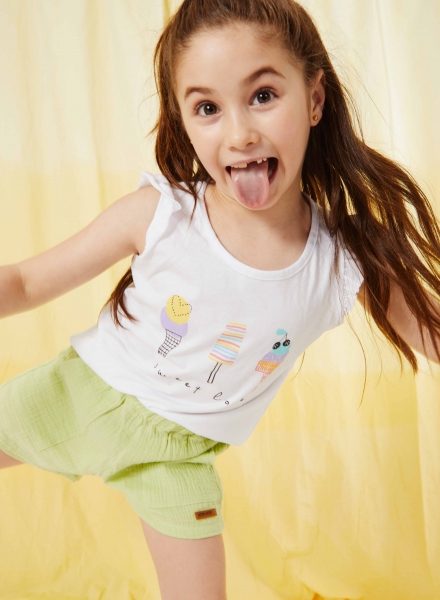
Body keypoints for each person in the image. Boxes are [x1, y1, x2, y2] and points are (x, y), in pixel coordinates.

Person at [1, 0, 439, 598]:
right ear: (183, 121)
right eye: (207, 108)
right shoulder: (161, 214)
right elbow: (25, 283)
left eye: (263, 95)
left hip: (176, 459)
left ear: (315, 98)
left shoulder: (345, 259)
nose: (240, 133)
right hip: (76, 396)